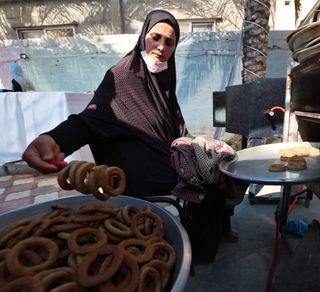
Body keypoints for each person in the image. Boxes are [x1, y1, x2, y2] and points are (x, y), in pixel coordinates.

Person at [22, 9, 240, 263]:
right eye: (155, 37)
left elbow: (176, 125)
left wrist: (195, 147)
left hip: (164, 157)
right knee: (205, 184)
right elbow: (92, 119)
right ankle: (200, 252)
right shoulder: (123, 75)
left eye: (169, 42)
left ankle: (218, 231)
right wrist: (55, 139)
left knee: (219, 168)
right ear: (143, 37)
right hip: (137, 172)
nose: (161, 47)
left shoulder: (164, 77)